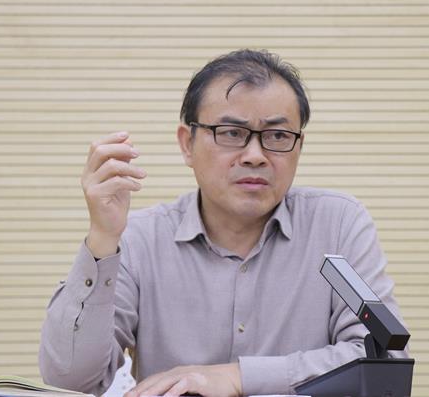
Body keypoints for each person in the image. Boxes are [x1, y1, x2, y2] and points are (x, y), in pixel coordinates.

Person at [39, 49, 408, 397]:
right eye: (231, 133)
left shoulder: (338, 224)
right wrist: (102, 238)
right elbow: (70, 380)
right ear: (187, 144)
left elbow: (384, 363)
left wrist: (237, 376)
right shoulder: (140, 238)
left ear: (299, 145)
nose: (254, 156)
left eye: (278, 136)